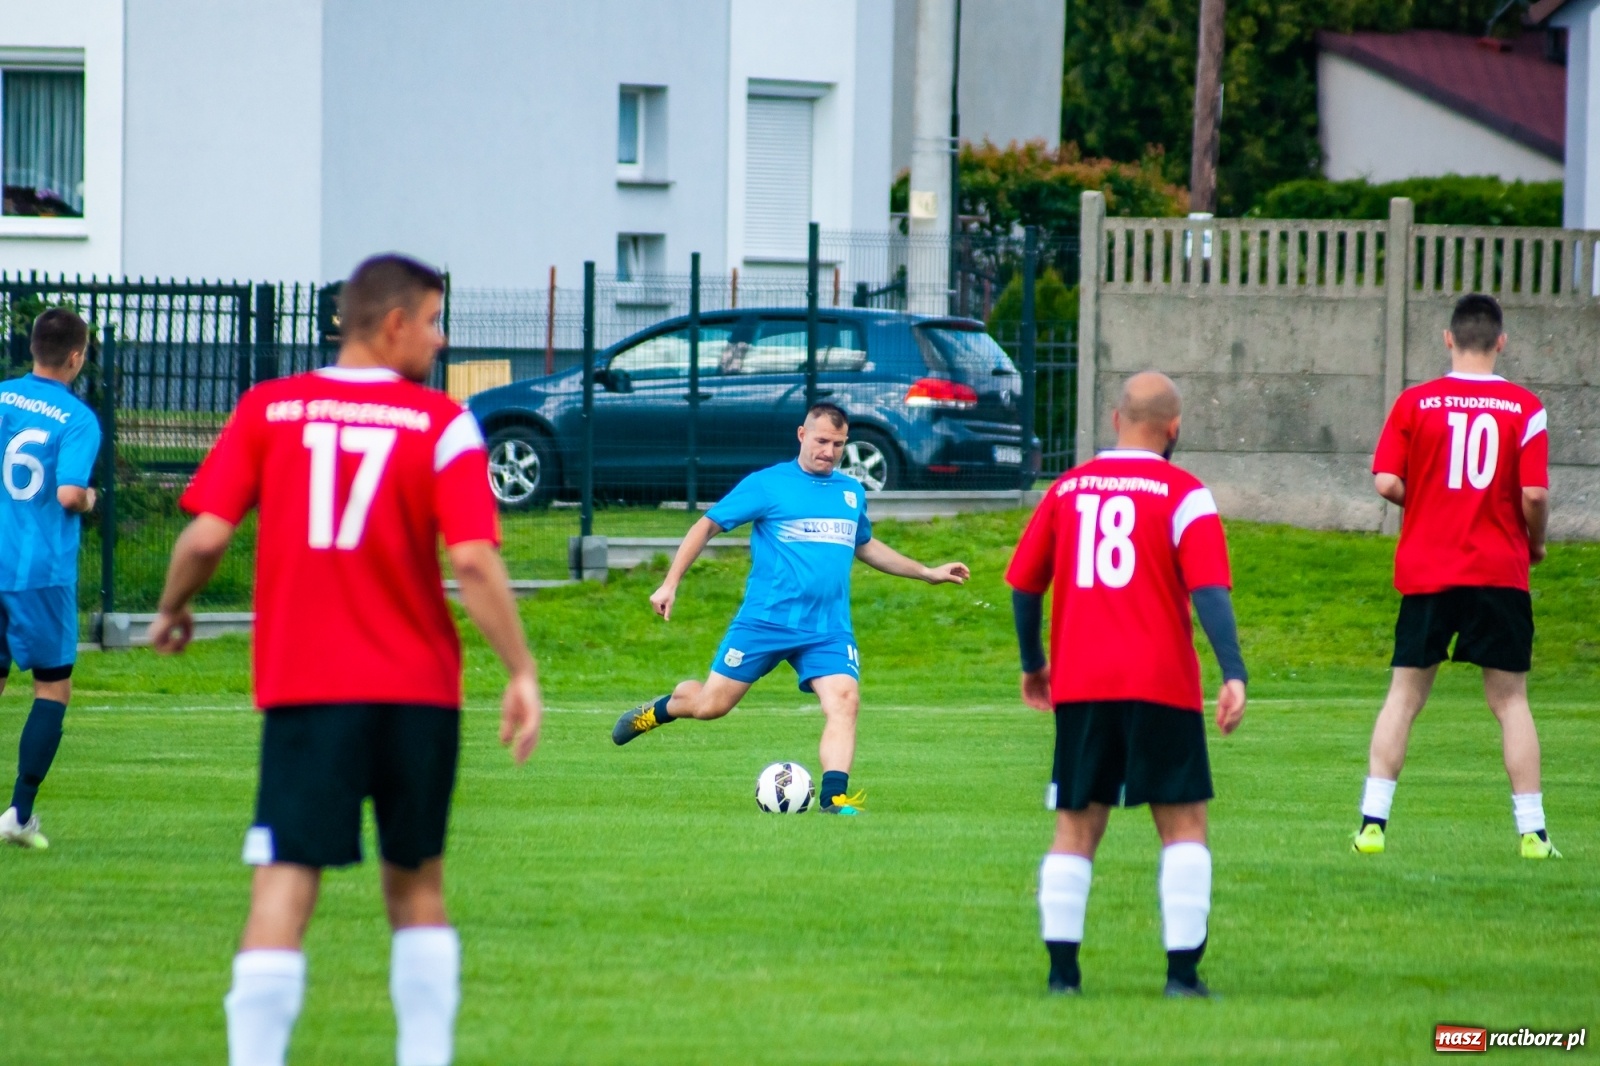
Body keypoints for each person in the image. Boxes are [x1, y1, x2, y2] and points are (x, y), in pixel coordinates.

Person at [148, 254, 543, 1066]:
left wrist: (174, 605)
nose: (439, 341)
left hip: (308, 689)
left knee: (285, 885)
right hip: (418, 695)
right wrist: (520, 670)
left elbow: (207, 534)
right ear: (393, 322)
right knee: (418, 886)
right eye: (433, 322)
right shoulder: (443, 424)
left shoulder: (271, 408)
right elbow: (471, 561)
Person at [1006, 371, 1246, 998]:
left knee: (1076, 829)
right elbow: (1210, 592)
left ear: (1116, 421)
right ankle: (1182, 979)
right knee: (1184, 826)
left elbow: (1024, 584)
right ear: (1174, 429)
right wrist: (1233, 672)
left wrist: (1034, 663)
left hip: (1083, 686)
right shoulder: (1185, 493)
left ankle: (1063, 979)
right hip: (1161, 684)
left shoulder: (1068, 488)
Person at [610, 402, 970, 815]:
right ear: (802, 435)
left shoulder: (850, 492)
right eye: (821, 441)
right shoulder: (768, 485)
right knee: (711, 706)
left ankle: (835, 797)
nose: (829, 451)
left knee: (845, 700)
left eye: (838, 444)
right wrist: (670, 582)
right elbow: (706, 524)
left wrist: (927, 572)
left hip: (827, 629)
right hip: (764, 623)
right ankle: (657, 711)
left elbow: (864, 545)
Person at [1353, 293, 1557, 860]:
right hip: (1498, 570)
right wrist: (1534, 540)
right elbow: (1534, 492)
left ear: (1448, 339)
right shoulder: (1525, 407)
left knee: (1404, 696)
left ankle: (1373, 823)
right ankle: (1533, 833)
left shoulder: (1415, 401)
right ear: (1501, 341)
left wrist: (1432, 501)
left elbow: (1386, 482)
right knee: (1510, 701)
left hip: (1428, 568)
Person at [0, 309, 101, 850]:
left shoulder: (1, 397)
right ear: (76, 356)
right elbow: (67, 494)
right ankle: (18, 812)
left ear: (33, 347)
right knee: (51, 686)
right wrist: (89, 497)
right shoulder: (78, 419)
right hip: (40, 573)